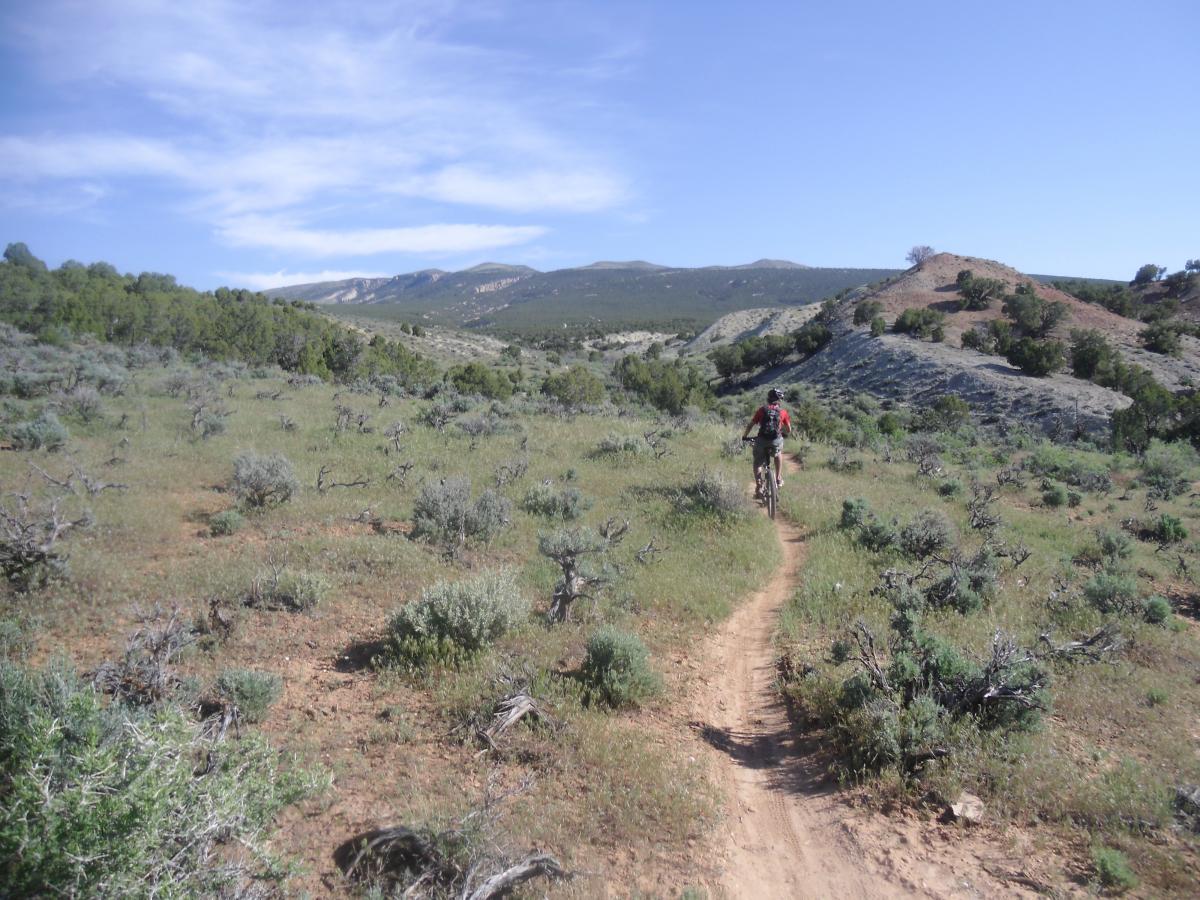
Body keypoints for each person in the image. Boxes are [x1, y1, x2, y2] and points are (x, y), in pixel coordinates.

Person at [741, 387, 792, 498]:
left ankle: (759, 485)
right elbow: (788, 429)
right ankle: (778, 478)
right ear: (779, 400)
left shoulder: (762, 410)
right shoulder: (783, 412)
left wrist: (745, 436)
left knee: (758, 462)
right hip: (776, 440)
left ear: (768, 398)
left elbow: (751, 425)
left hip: (762, 440)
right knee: (778, 453)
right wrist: (783, 433)